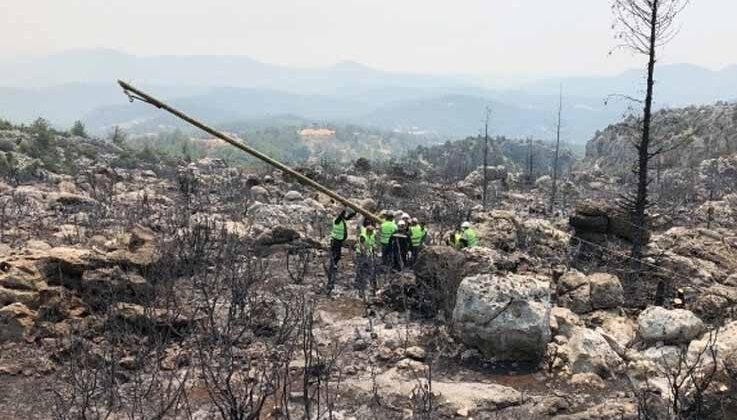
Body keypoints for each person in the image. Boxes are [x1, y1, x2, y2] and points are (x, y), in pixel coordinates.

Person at [326, 208, 356, 294]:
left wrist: (354, 213)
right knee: (335, 255)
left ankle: (334, 264)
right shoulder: (337, 220)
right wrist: (344, 208)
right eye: (342, 215)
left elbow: (347, 217)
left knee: (338, 255)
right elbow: (341, 216)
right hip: (335, 241)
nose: (343, 216)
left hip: (339, 241)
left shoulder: (342, 220)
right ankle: (333, 265)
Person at [354, 224, 377, 298]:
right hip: (360, 254)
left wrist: (374, 247)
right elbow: (361, 245)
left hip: (368, 253)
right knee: (360, 267)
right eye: (370, 231)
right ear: (367, 231)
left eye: (372, 231)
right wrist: (364, 253)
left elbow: (372, 243)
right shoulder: (363, 236)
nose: (371, 232)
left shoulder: (372, 234)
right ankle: (358, 281)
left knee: (370, 268)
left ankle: (368, 282)